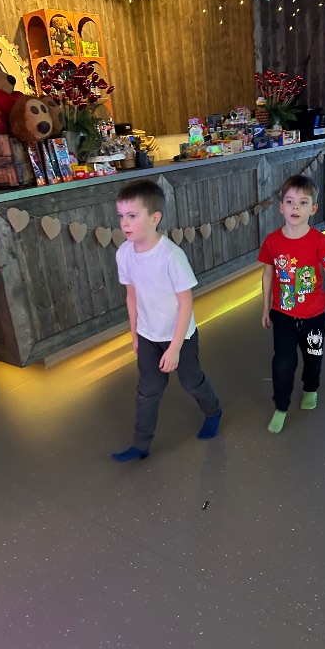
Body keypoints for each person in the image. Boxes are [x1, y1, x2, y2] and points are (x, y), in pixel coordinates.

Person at [112, 179, 222, 462]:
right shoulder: (124, 253)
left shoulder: (171, 256)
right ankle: (141, 444)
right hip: (148, 335)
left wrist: (174, 348)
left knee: (191, 381)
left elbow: (186, 303)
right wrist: (135, 335)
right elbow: (132, 297)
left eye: (132, 215)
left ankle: (213, 411)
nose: (124, 223)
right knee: (148, 391)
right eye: (121, 216)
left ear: (154, 218)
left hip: (180, 335)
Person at [258, 174, 325, 434]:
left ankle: (310, 388)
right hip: (282, 313)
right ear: (281, 207)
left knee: (312, 357)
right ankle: (281, 406)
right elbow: (268, 274)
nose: (295, 207)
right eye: (290, 202)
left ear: (313, 208)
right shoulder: (273, 241)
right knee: (282, 362)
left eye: (303, 202)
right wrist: (265, 307)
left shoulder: (319, 241)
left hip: (314, 314)